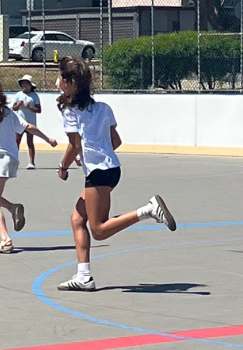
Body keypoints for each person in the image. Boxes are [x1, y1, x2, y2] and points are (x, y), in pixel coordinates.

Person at [52, 57, 179, 292]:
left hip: (98, 173)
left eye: (61, 77)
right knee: (77, 219)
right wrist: (96, 152)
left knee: (98, 230)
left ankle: (148, 210)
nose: (57, 81)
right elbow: (115, 141)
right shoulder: (103, 108)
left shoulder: (69, 112)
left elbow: (74, 145)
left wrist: (63, 166)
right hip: (112, 169)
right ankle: (83, 277)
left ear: (70, 83)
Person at [0, 80, 60, 254]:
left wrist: (48, 139)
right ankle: (13, 208)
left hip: (0, 160)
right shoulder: (2, 114)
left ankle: (5, 240)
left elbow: (27, 127)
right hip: (4, 160)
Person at [12, 75, 46, 169]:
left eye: (26, 83)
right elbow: (14, 108)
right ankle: (13, 160)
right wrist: (18, 105)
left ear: (30, 85)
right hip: (19, 122)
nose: (24, 85)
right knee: (16, 141)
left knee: (30, 142)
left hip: (30, 122)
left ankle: (31, 162)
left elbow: (39, 110)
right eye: (23, 83)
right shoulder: (18, 95)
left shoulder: (34, 96)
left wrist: (29, 107)